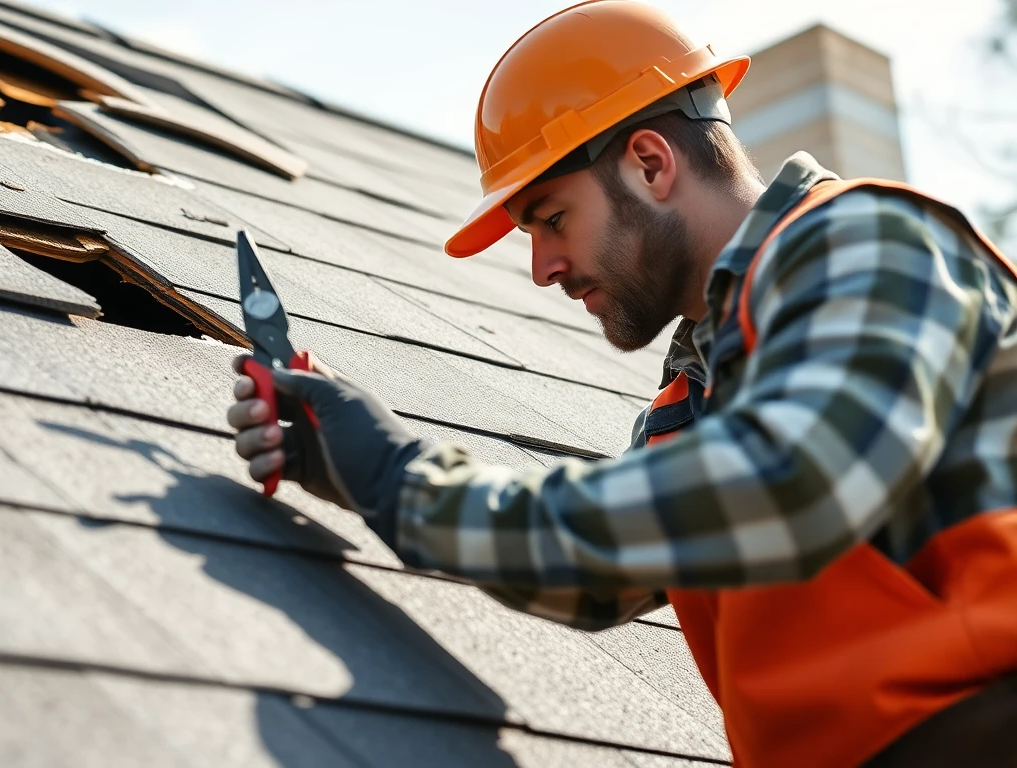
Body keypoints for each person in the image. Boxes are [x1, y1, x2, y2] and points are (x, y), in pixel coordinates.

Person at [226, 2, 1017, 766]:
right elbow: (600, 580)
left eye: (552, 219)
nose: (541, 270)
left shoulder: (873, 241)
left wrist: (405, 481)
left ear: (649, 163)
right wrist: (358, 469)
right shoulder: (692, 400)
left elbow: (790, 483)